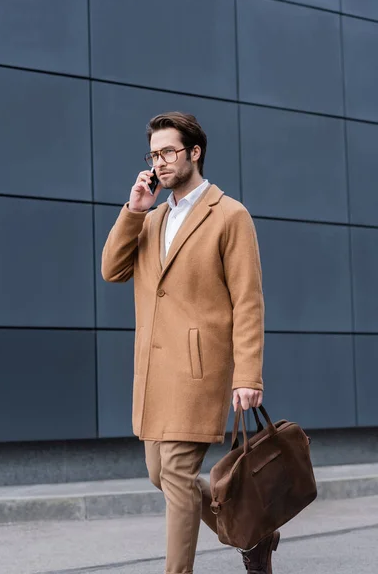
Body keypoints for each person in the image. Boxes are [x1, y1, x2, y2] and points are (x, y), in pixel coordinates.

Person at [101, 112, 279, 574]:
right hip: (154, 373)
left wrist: (248, 375)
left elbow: (248, 301)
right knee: (161, 476)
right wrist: (134, 209)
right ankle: (254, 532)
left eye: (168, 152)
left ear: (194, 152)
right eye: (154, 154)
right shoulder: (153, 217)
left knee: (177, 474)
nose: (159, 163)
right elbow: (112, 270)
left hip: (199, 369)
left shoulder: (230, 215)